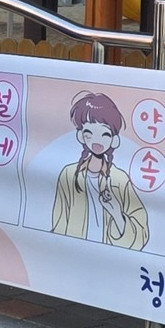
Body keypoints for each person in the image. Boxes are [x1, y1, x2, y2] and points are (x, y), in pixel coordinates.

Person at [51, 91, 149, 250]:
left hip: (109, 264)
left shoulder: (120, 180)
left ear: (114, 140)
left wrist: (117, 213)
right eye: (89, 133)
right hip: (73, 260)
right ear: (81, 136)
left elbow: (141, 234)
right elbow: (59, 224)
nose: (97, 140)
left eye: (104, 134)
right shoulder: (69, 175)